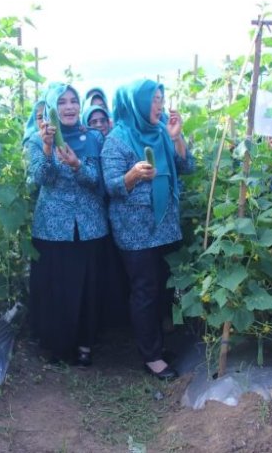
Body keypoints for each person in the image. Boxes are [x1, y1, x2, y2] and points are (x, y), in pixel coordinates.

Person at [101, 79, 195, 380]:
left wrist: (177, 138)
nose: (160, 105)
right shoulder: (118, 139)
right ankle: (151, 356)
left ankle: (158, 344)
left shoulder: (162, 131)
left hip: (165, 225)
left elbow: (186, 167)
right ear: (138, 103)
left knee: (162, 287)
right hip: (136, 230)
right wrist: (132, 176)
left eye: (161, 98)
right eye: (154, 99)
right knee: (145, 289)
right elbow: (112, 186)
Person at [26, 83, 108, 366]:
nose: (70, 107)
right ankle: (58, 346)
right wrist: (49, 148)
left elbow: (99, 181)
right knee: (57, 288)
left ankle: (86, 344)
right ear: (51, 108)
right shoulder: (36, 141)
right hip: (53, 227)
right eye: (62, 102)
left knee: (87, 287)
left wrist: (76, 165)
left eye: (74, 101)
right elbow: (39, 180)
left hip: (89, 225)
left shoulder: (93, 138)